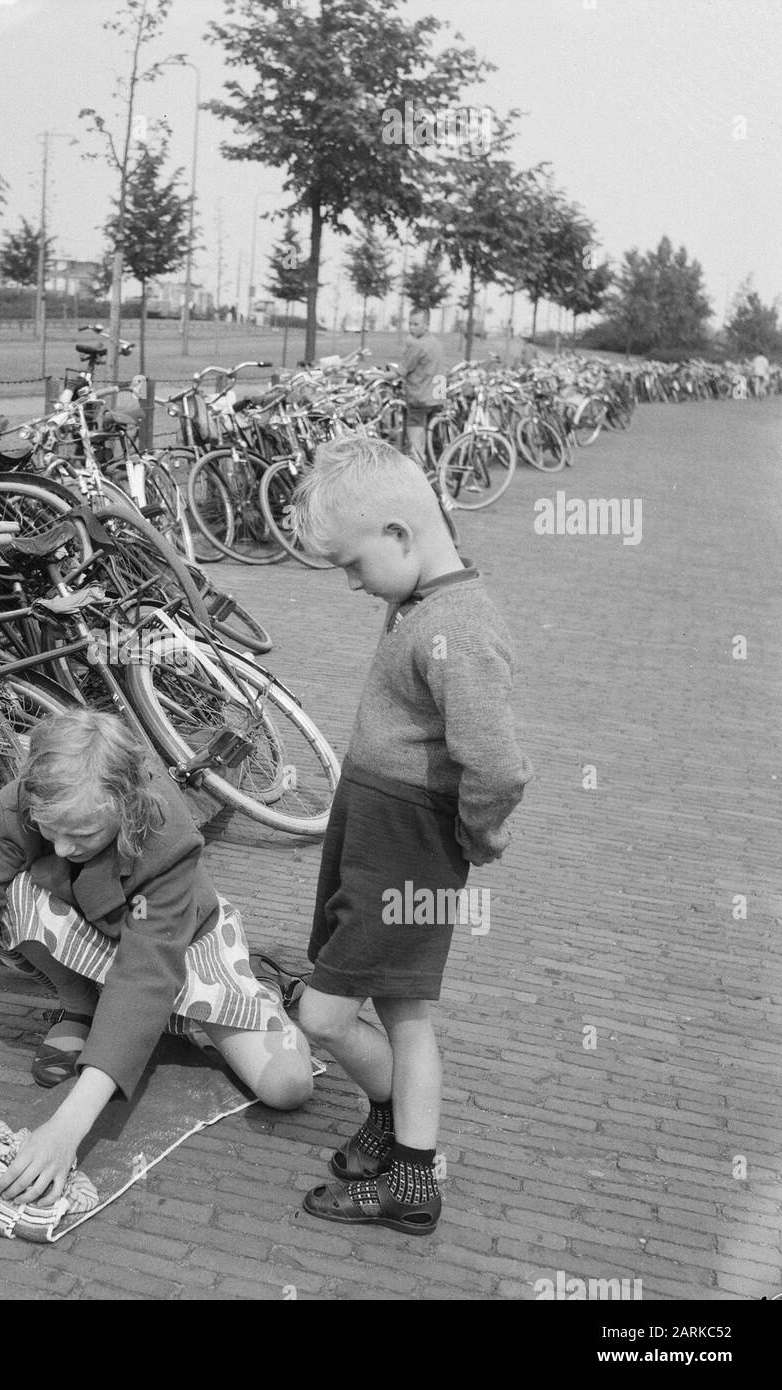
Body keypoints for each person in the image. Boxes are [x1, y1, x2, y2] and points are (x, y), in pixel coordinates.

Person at [0, 709, 313, 1209]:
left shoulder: (167, 836)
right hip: (93, 928)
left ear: (127, 804)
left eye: (83, 835)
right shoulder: (23, 805)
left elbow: (144, 976)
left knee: (287, 1087)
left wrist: (64, 1132)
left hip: (181, 942)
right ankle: (82, 1004)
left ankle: (252, 981)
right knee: (7, 896)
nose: (63, 847)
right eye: (50, 832)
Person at [288, 434, 532, 1234]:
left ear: (399, 537)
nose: (354, 585)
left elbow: (496, 765)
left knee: (322, 1016)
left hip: (408, 847)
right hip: (377, 831)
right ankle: (403, 1146)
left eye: (353, 565)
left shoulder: (456, 626)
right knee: (400, 1010)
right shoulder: (419, 598)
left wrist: (475, 837)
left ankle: (409, 1166)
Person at [401, 307, 447, 464]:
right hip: (436, 399)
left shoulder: (417, 345)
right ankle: (440, 479)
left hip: (419, 400)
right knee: (434, 446)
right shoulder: (437, 344)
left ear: (426, 325)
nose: (411, 328)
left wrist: (376, 375)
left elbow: (402, 371)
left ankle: (420, 482)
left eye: (415, 324)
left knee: (416, 449)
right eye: (410, 324)